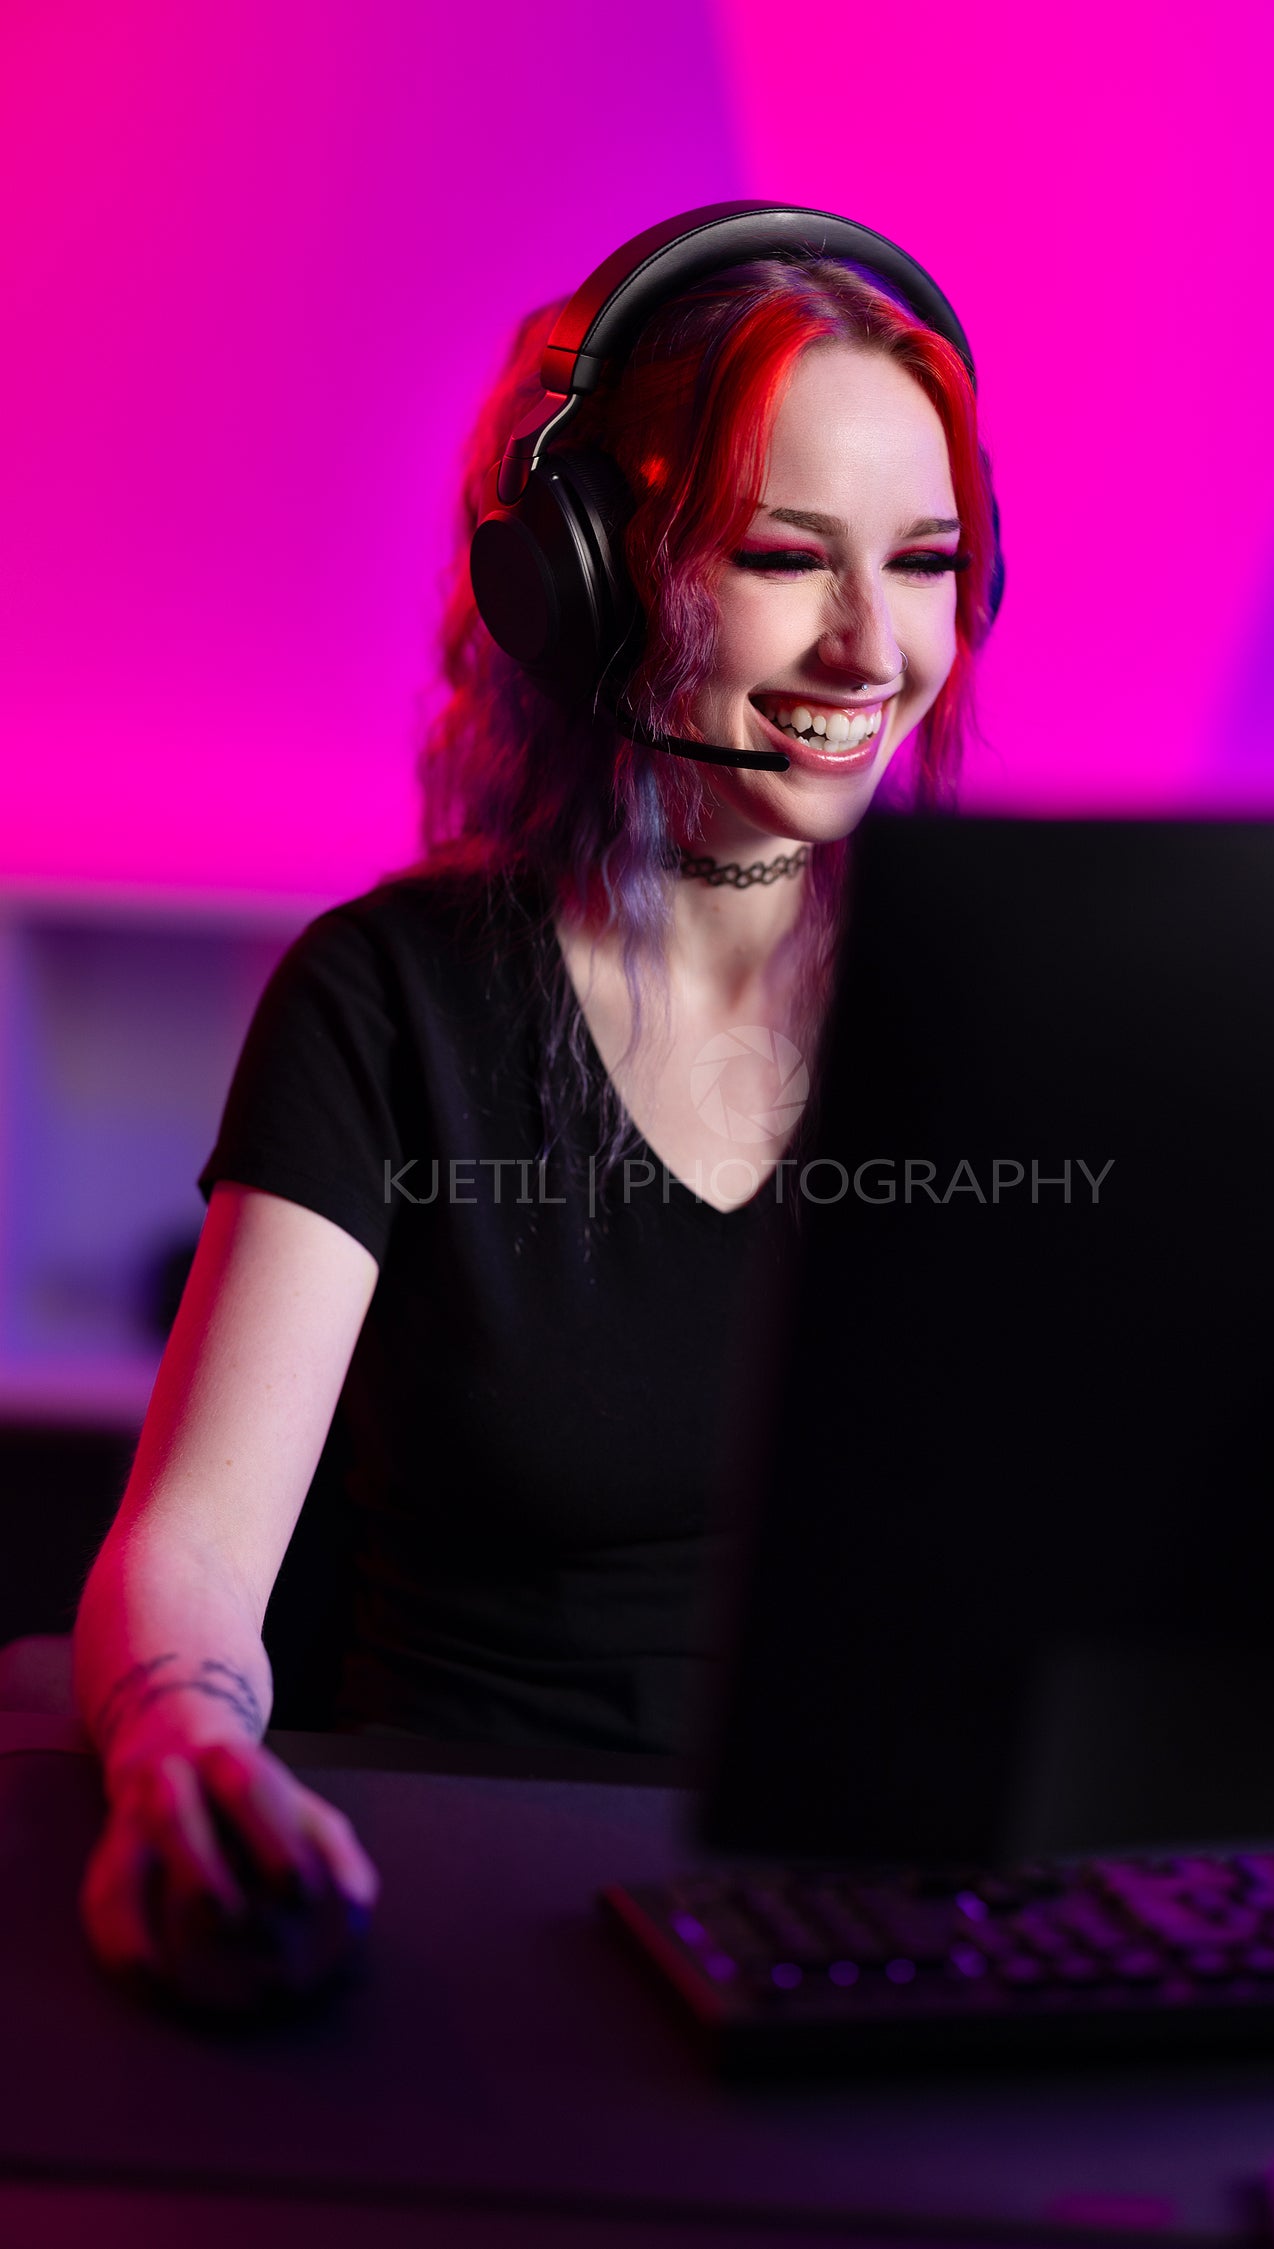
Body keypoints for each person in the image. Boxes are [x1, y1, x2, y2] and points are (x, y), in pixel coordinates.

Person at [69, 223, 1001, 2003]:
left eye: (929, 562)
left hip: (855, 1917)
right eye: (782, 556)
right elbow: (190, 1546)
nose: (875, 646)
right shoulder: (389, 1000)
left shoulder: (999, 1004)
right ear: (582, 579)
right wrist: (177, 1738)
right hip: (474, 1888)